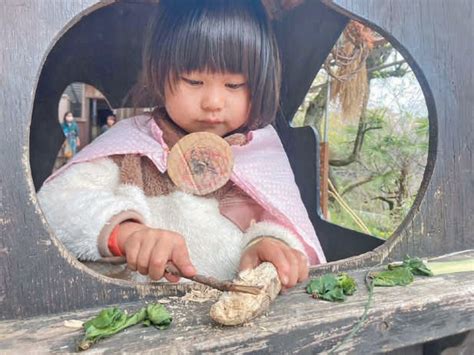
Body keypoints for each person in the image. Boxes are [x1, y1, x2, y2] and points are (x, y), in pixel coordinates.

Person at [38, 0, 326, 288]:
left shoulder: (261, 154)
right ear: (160, 74)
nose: (213, 103)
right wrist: (125, 233)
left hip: (236, 325)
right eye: (193, 81)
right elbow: (53, 206)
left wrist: (269, 243)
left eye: (234, 85)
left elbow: (289, 231)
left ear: (260, 83)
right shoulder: (129, 148)